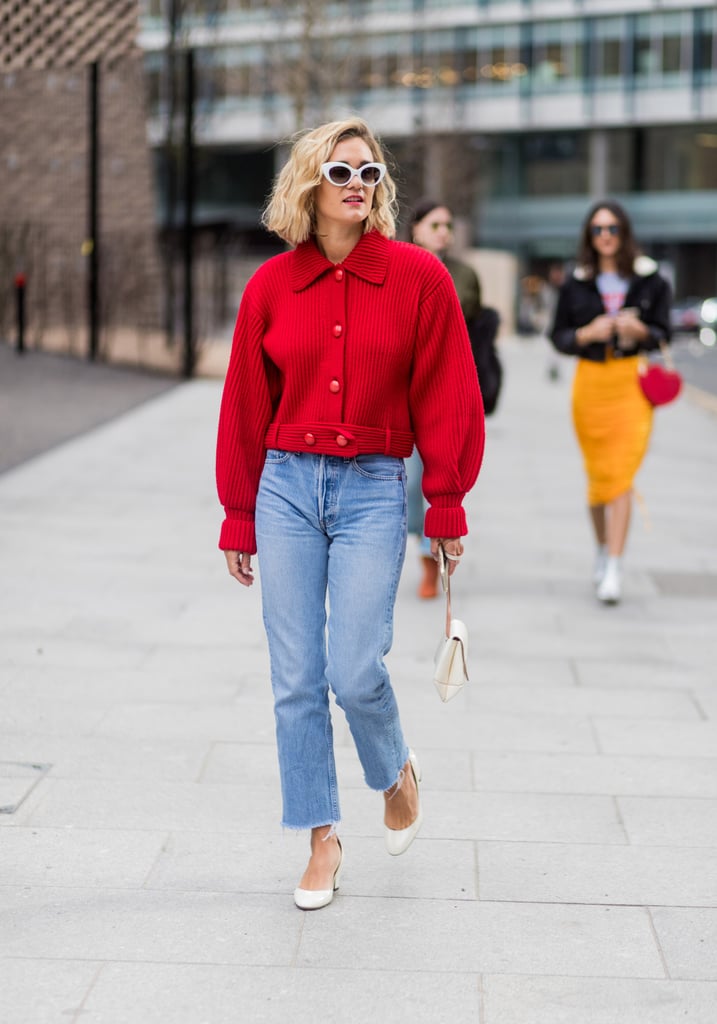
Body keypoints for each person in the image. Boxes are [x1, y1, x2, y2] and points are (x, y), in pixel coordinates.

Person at [215, 118, 485, 910]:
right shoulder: (270, 286)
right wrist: (237, 512)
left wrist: (444, 501)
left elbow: (447, 392)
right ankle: (320, 838)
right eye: (340, 172)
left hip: (373, 486)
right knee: (295, 679)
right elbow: (242, 405)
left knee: (355, 669)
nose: (356, 186)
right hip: (286, 487)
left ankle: (393, 769)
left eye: (368, 174)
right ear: (309, 183)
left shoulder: (418, 278)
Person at [550, 199, 671, 604]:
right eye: (598, 230)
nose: (605, 236)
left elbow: (664, 333)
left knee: (621, 475)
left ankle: (614, 566)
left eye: (612, 229)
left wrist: (639, 330)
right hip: (591, 385)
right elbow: (559, 336)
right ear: (589, 235)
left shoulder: (651, 279)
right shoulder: (576, 281)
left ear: (625, 233)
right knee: (598, 480)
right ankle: (602, 550)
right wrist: (587, 334)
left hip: (631, 384)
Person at [408, 198, 500, 598]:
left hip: (447, 389)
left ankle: (437, 561)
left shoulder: (464, 274)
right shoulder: (401, 267)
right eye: (434, 224)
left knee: (446, 475)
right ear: (415, 229)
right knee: (412, 483)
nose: (443, 231)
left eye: (447, 225)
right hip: (406, 390)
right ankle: (424, 559)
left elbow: (474, 329)